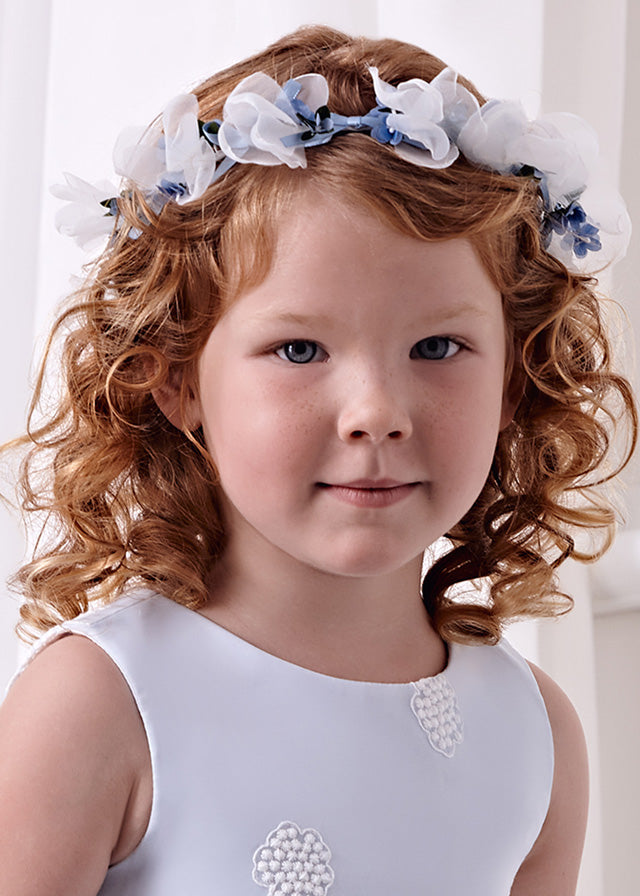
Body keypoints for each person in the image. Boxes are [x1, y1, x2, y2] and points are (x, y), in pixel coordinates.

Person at [0, 24, 635, 896]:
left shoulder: (535, 734)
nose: (377, 413)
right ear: (176, 380)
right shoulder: (100, 705)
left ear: (514, 379)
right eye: (299, 350)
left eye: (438, 346)